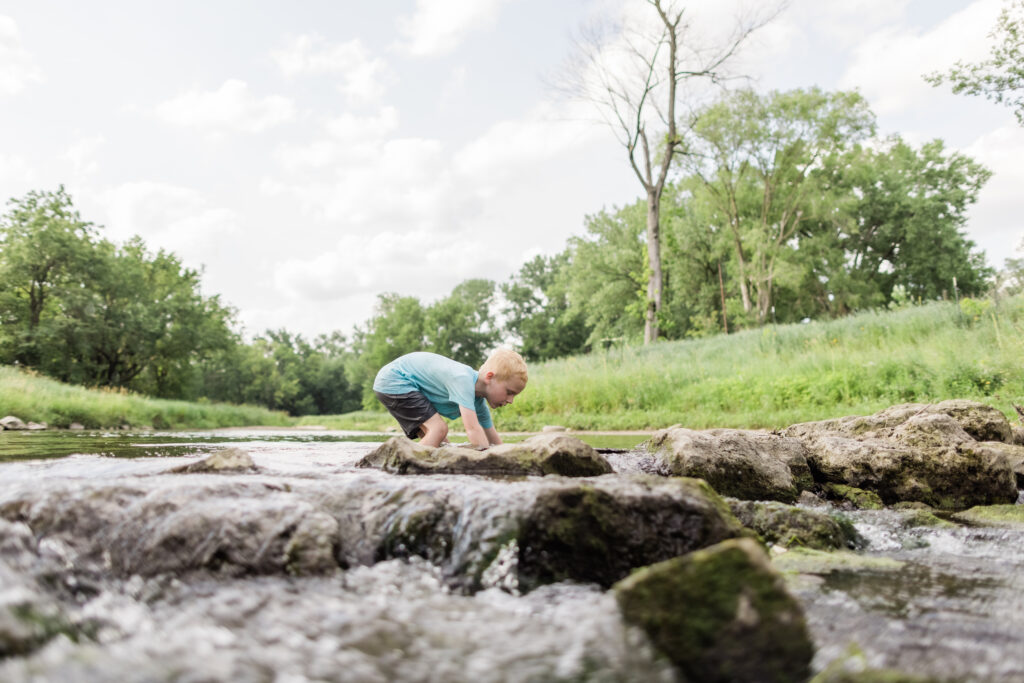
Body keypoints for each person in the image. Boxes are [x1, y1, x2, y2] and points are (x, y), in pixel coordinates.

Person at [373, 348, 528, 448]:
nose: (510, 400)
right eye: (509, 392)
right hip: (396, 379)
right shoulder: (463, 379)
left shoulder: (479, 401)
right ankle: (405, 465)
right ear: (489, 377)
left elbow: (493, 439)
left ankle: (421, 470)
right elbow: (473, 430)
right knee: (439, 429)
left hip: (402, 383)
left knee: (442, 444)